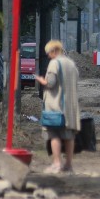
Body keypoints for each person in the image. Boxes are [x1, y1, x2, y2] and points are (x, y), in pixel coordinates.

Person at [34, 40, 81, 174]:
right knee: (69, 136)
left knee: (54, 134)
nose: (48, 56)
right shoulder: (71, 64)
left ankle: (56, 163)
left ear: (54, 51)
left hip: (56, 106)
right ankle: (69, 165)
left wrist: (42, 80)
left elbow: (51, 83)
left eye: (49, 53)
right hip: (70, 107)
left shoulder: (55, 63)